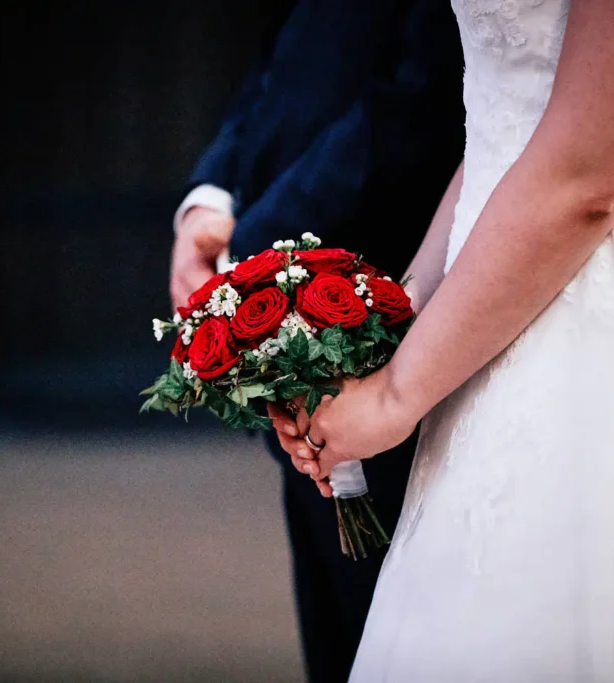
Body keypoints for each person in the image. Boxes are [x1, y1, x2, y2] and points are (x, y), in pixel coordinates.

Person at [274, 0, 614, 679]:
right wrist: (395, 321)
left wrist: (395, 396)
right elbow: (508, 123)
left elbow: (585, 180)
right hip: (487, 319)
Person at [168, 1, 464, 680]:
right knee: (336, 627)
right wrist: (212, 197)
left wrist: (249, 251)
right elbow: (283, 54)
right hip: (291, 315)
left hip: (393, 306)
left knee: (396, 628)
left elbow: (427, 96)